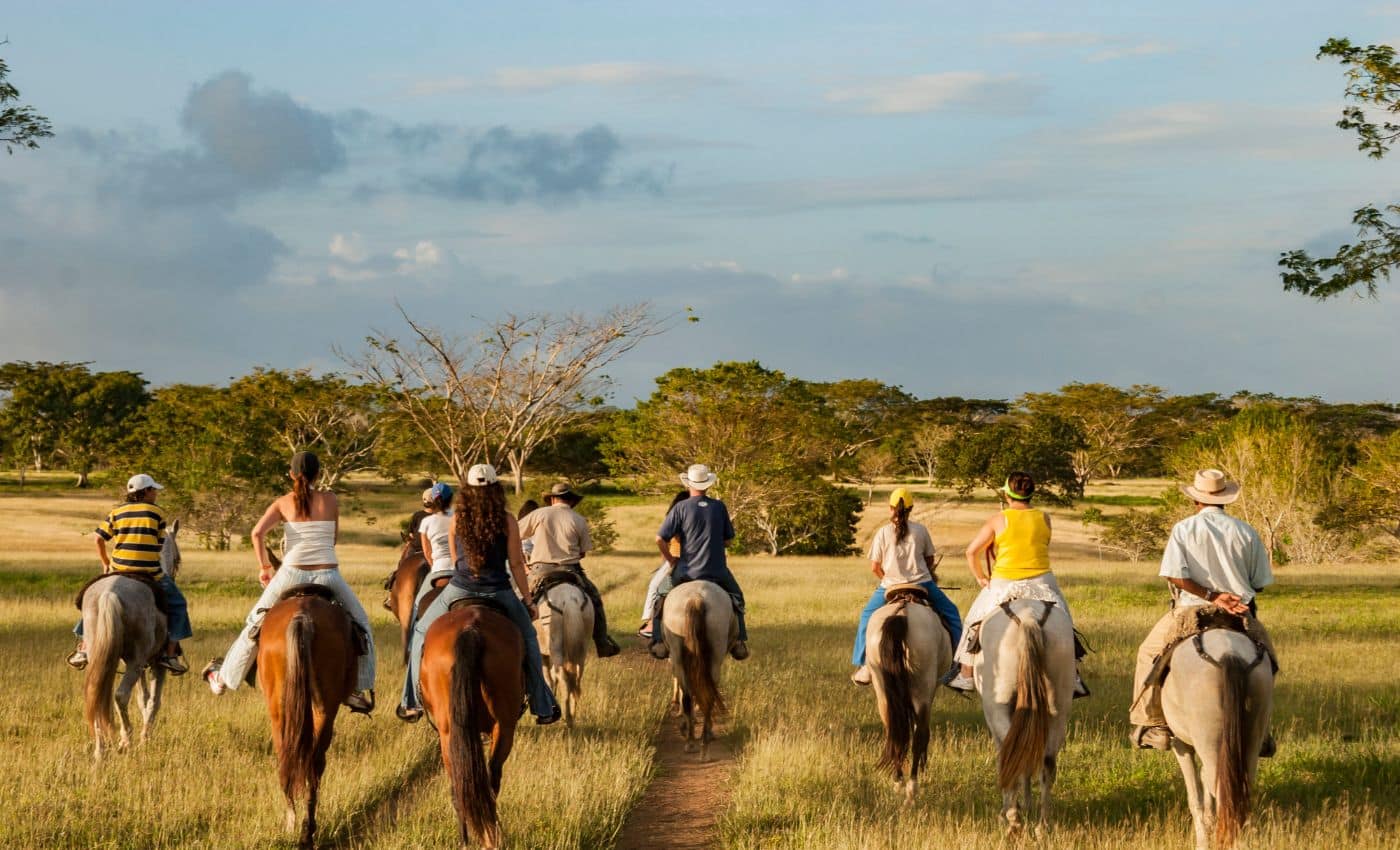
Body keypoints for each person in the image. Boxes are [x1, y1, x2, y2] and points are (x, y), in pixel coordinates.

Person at [202, 451, 377, 714]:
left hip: (291, 573)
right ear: (318, 473)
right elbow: (333, 539)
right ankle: (356, 689)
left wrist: (264, 567)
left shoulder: (282, 502)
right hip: (328, 574)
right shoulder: (330, 499)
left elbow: (257, 533)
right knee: (362, 624)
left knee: (255, 622)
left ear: (292, 475)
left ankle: (223, 679)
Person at [396, 463, 560, 725]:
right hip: (498, 591)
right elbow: (517, 564)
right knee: (529, 638)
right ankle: (542, 704)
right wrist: (528, 601)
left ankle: (411, 702)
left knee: (419, 633)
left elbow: (453, 558)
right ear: (496, 488)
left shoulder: (458, 519)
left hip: (460, 588)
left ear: (468, 490)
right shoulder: (507, 520)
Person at [1129, 469, 1276, 751]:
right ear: (1225, 501)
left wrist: (1211, 595)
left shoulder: (1184, 529)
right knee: (1269, 660)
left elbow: (1174, 575)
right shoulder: (1246, 531)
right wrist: (1230, 596)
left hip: (1192, 610)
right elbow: (1259, 583)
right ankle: (1262, 729)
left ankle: (1152, 724)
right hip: (1238, 612)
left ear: (1196, 500)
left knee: (1148, 653)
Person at [945, 471, 1086, 696]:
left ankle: (966, 674)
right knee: (1065, 620)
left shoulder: (998, 519)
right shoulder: (1044, 518)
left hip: (1004, 581)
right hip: (1042, 580)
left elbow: (971, 552)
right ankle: (1073, 674)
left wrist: (981, 577)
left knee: (973, 620)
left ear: (1006, 494)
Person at [68, 473, 191, 674]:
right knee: (179, 605)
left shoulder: (116, 512)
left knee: (92, 601)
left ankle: (84, 647)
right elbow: (159, 545)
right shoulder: (157, 513)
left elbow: (98, 539)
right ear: (147, 491)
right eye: (154, 490)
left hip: (118, 571)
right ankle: (170, 655)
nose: (156, 494)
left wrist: (106, 563)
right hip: (150, 573)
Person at [849, 488, 963, 686]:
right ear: (910, 508)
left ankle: (864, 664)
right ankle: (957, 666)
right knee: (952, 614)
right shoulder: (921, 530)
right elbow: (929, 560)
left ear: (891, 508)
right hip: (922, 583)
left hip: (890, 586)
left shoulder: (883, 532)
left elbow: (875, 567)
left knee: (866, 617)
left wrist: (889, 579)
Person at [649, 463, 749, 661]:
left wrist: (670, 559)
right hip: (718, 571)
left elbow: (659, 539)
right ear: (708, 485)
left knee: (659, 595)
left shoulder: (680, 507)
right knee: (737, 597)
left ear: (689, 484)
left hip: (686, 572)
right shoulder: (719, 507)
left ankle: (659, 641)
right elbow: (728, 540)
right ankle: (740, 642)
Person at [519, 482, 621, 658]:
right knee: (595, 599)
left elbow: (515, 534)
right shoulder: (579, 519)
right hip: (571, 569)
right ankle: (602, 642)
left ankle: (517, 643)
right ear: (571, 501)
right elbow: (582, 552)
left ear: (552, 499)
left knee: (519, 601)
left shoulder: (538, 514)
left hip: (540, 569)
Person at [405, 481, 456, 628]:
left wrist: (435, 566)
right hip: (460, 570)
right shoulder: (459, 517)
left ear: (432, 500)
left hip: (438, 570)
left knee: (415, 610)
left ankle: (412, 647)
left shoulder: (426, 522)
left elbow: (427, 552)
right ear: (451, 498)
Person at [639, 490, 690, 638]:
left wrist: (668, 560)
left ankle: (650, 624)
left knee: (655, 586)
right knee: (733, 593)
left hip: (677, 559)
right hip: (703, 560)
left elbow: (663, 541)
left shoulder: (674, 517)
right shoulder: (700, 515)